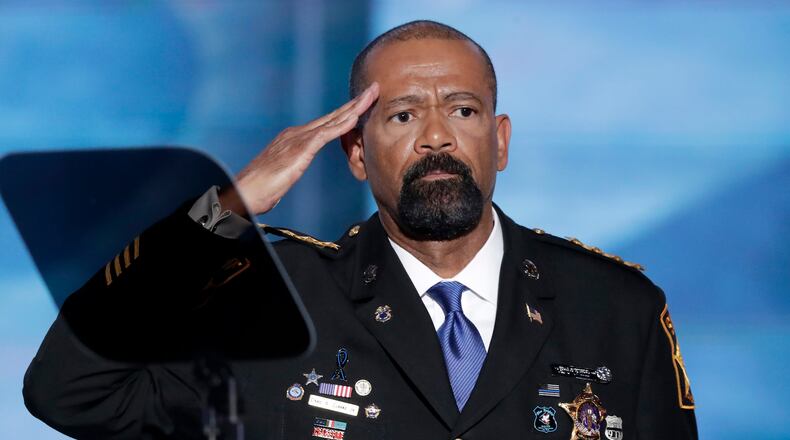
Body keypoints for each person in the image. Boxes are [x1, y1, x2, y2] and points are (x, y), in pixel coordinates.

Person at [23, 20, 698, 439]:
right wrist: (221, 214)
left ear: (500, 141)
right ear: (354, 152)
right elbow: (69, 391)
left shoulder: (615, 308)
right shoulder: (264, 300)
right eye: (402, 116)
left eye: (462, 110)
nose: (436, 136)